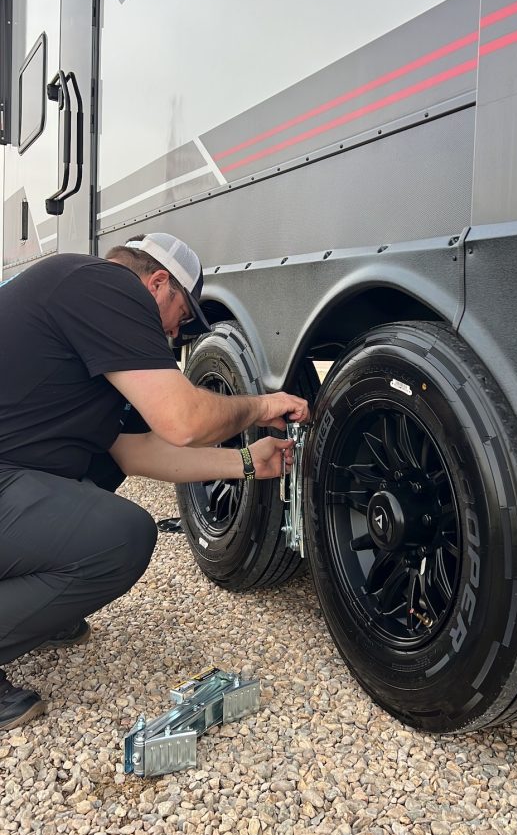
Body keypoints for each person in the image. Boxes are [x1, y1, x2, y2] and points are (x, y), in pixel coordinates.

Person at [0, 232, 309, 730]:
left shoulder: (78, 306)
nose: (175, 336)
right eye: (182, 317)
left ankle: (35, 608)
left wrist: (250, 462)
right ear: (158, 283)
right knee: (121, 537)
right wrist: (261, 405)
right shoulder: (105, 285)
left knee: (100, 469)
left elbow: (137, 452)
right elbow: (182, 420)